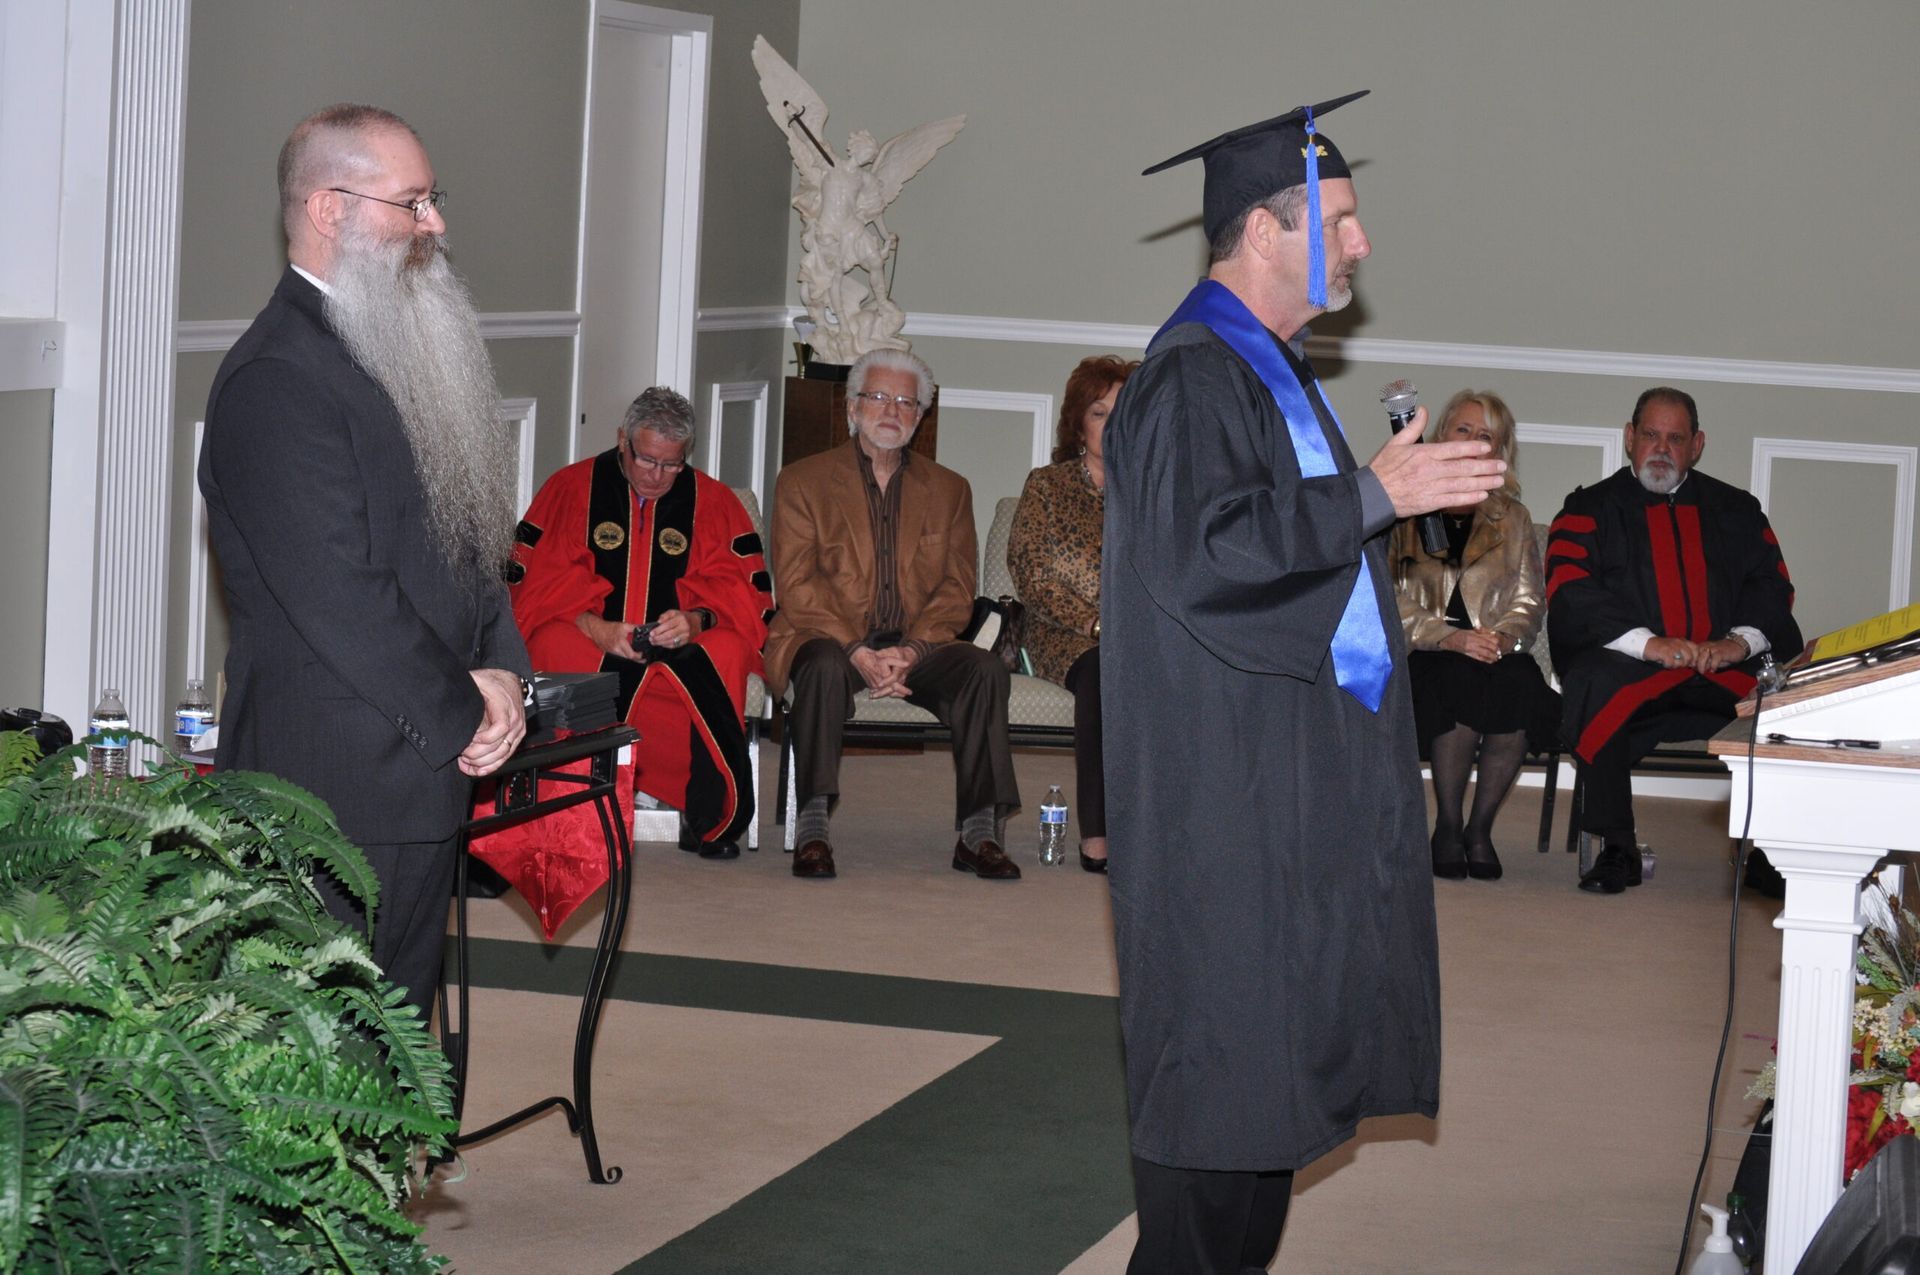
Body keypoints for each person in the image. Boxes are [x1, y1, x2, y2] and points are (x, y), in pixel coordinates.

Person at [1105, 93, 1508, 1273]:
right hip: (1223, 791)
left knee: (1269, 1076)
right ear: (1268, 232)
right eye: (1344, 218)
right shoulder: (1191, 378)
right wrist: (1376, 492)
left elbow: (1303, 555)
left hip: (1283, 772)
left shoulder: (1265, 368)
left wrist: (1393, 502)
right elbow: (1209, 552)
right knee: (1217, 1075)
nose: (1365, 242)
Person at [199, 104, 530, 1018]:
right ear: (330, 209)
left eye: (433, 200)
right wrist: (466, 709)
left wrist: (501, 668)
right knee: (326, 1057)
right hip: (331, 784)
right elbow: (341, 595)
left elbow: (468, 538)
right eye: (412, 203)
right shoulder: (277, 379)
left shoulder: (400, 343)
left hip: (418, 764)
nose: (436, 225)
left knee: (395, 1036)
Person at [763, 349, 1022, 881]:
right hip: (827, 636)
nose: (892, 411)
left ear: (921, 416)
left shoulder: (950, 490)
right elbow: (796, 585)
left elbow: (956, 588)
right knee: (820, 666)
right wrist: (858, 648)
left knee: (984, 671)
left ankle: (979, 832)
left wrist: (911, 650)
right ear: (852, 407)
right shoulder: (803, 480)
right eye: (878, 397)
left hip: (916, 644)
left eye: (907, 402)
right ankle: (812, 826)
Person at [1545, 386, 1799, 893]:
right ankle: (1618, 848)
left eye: (1676, 438)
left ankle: (1768, 853)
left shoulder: (1737, 510)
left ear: (1697, 445)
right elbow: (1571, 588)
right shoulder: (1588, 508)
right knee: (1594, 684)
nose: (1661, 449)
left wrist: (1737, 643)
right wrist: (1648, 643)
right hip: (1631, 666)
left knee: (1784, 703)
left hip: (1719, 667)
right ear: (1629, 438)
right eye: (1650, 435)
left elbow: (1772, 586)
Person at [506, 387, 773, 857]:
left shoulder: (710, 500)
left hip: (679, 642)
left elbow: (738, 587)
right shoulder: (571, 488)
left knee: (726, 649)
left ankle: (703, 811)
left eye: (672, 464)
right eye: (647, 460)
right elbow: (539, 578)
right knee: (552, 641)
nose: (658, 476)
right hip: (594, 633)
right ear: (622, 441)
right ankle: (564, 803)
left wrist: (695, 619)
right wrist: (598, 628)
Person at [1391, 389, 1559, 881]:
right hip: (1426, 649)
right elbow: (1384, 596)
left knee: (1520, 683)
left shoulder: (1515, 518)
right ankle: (1448, 823)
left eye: (1485, 435)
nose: (1471, 440)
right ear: (1441, 436)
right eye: (1463, 429)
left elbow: (1531, 599)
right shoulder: (1403, 508)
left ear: (1498, 452)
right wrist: (1447, 636)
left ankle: (1479, 828)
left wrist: (1503, 640)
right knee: (1455, 683)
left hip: (1494, 648)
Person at [1008, 354, 1138, 873]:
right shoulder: (1047, 486)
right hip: (1063, 636)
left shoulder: (1156, 493)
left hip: (1142, 635)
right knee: (1104, 670)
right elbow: (1030, 573)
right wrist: (1098, 625)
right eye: (1100, 413)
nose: (1114, 424)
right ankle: (1100, 835)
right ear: (1079, 425)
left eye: (1126, 412)